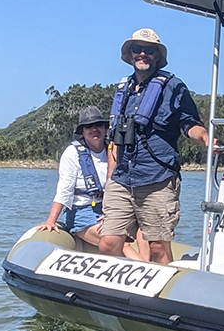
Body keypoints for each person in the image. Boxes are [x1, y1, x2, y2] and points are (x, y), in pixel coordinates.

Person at [98, 28, 210, 265]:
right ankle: (119, 293)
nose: (142, 54)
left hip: (157, 177)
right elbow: (114, 140)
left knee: (157, 247)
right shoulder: (123, 90)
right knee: (108, 243)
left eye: (148, 50)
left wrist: (205, 138)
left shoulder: (173, 86)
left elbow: (189, 123)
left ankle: (162, 297)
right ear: (129, 55)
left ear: (156, 56)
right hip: (122, 178)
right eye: (137, 50)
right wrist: (110, 178)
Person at [38, 106, 151, 255]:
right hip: (83, 210)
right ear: (83, 131)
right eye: (88, 126)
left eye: (98, 125)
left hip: (111, 207)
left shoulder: (114, 149)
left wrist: (111, 212)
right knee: (117, 242)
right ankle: (142, 270)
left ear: (105, 128)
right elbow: (64, 190)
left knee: (145, 230)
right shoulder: (72, 153)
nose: (94, 129)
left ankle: (150, 264)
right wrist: (51, 220)